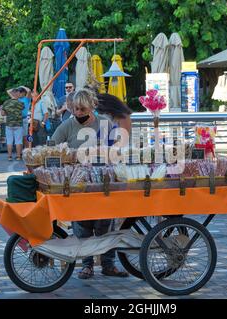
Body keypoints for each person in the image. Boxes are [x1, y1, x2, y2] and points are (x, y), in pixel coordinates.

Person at [51, 88, 129, 279]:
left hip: (103, 181)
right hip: (78, 184)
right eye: (75, 109)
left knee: (106, 224)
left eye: (82, 110)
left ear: (92, 107)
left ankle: (108, 264)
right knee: (82, 225)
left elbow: (117, 148)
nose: (78, 113)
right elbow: (52, 147)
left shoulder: (105, 123)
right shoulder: (67, 126)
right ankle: (87, 265)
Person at [2, 89, 24, 161]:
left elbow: (2, 114)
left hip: (9, 124)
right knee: (18, 141)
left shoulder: (6, 102)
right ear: (17, 94)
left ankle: (9, 156)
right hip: (18, 124)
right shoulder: (20, 103)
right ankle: (18, 156)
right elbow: (23, 110)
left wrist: (8, 113)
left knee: (9, 141)